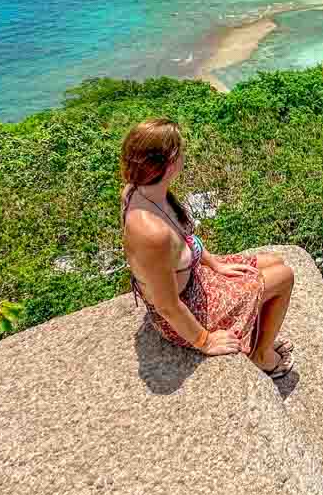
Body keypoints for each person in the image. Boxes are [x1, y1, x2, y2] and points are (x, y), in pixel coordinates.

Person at [120, 117, 296, 378]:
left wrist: (213, 263)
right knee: (284, 276)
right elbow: (167, 305)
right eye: (180, 152)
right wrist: (204, 340)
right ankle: (262, 355)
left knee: (273, 262)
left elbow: (184, 239)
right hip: (186, 310)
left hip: (195, 279)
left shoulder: (141, 190)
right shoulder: (150, 232)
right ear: (168, 165)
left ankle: (256, 333)